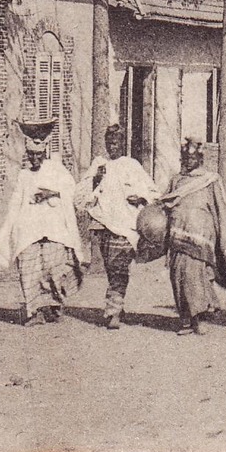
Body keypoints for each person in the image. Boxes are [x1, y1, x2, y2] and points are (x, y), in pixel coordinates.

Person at [0, 121, 84, 326]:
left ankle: (53, 306)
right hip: (29, 229)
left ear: (44, 154)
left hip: (53, 229)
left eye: (38, 155)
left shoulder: (57, 170)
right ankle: (33, 312)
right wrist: (9, 227)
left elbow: (72, 191)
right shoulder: (24, 175)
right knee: (28, 268)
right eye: (31, 155)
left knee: (53, 269)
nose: (34, 159)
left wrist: (51, 193)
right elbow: (16, 202)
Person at [160, 139, 226, 335]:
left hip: (201, 238)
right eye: (185, 158)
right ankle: (186, 318)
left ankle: (197, 319)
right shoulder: (176, 180)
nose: (188, 162)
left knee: (195, 276)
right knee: (178, 276)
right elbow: (165, 201)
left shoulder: (210, 180)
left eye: (192, 158)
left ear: (200, 159)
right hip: (178, 237)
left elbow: (221, 209)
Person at [80, 125, 158, 330]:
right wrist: (95, 180)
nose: (112, 147)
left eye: (116, 143)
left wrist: (141, 197)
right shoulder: (99, 164)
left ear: (123, 144)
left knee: (118, 268)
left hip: (126, 227)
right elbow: (80, 195)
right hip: (103, 224)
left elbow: (152, 192)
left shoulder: (132, 165)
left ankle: (113, 311)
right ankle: (118, 304)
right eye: (109, 142)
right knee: (111, 269)